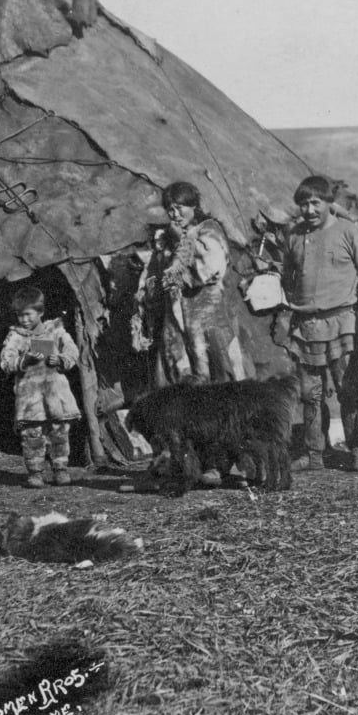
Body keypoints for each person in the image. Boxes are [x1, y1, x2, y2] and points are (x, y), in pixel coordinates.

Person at [132, 180, 246, 486]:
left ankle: (220, 465)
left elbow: (210, 272)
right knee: (183, 397)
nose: (175, 212)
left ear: (194, 206)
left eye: (180, 206)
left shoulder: (208, 233)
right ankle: (189, 465)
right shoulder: (165, 240)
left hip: (209, 322)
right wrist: (150, 289)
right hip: (178, 327)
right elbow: (154, 278)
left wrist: (185, 244)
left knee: (220, 394)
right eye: (170, 208)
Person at [281, 175, 358, 472]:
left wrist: (356, 302)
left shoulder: (348, 232)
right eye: (304, 204)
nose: (309, 210)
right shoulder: (295, 236)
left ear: (328, 203)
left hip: (342, 321)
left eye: (315, 203)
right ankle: (314, 453)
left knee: (348, 389)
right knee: (310, 393)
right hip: (306, 324)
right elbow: (287, 277)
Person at [0, 286, 82, 488]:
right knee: (32, 434)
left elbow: (73, 351)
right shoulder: (16, 337)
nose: (24, 320)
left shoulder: (56, 332)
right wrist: (23, 360)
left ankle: (60, 469)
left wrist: (61, 359)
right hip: (31, 396)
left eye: (28, 315)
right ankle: (35, 472)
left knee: (59, 432)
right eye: (20, 315)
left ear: (41, 313)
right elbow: (5, 362)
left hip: (56, 393)